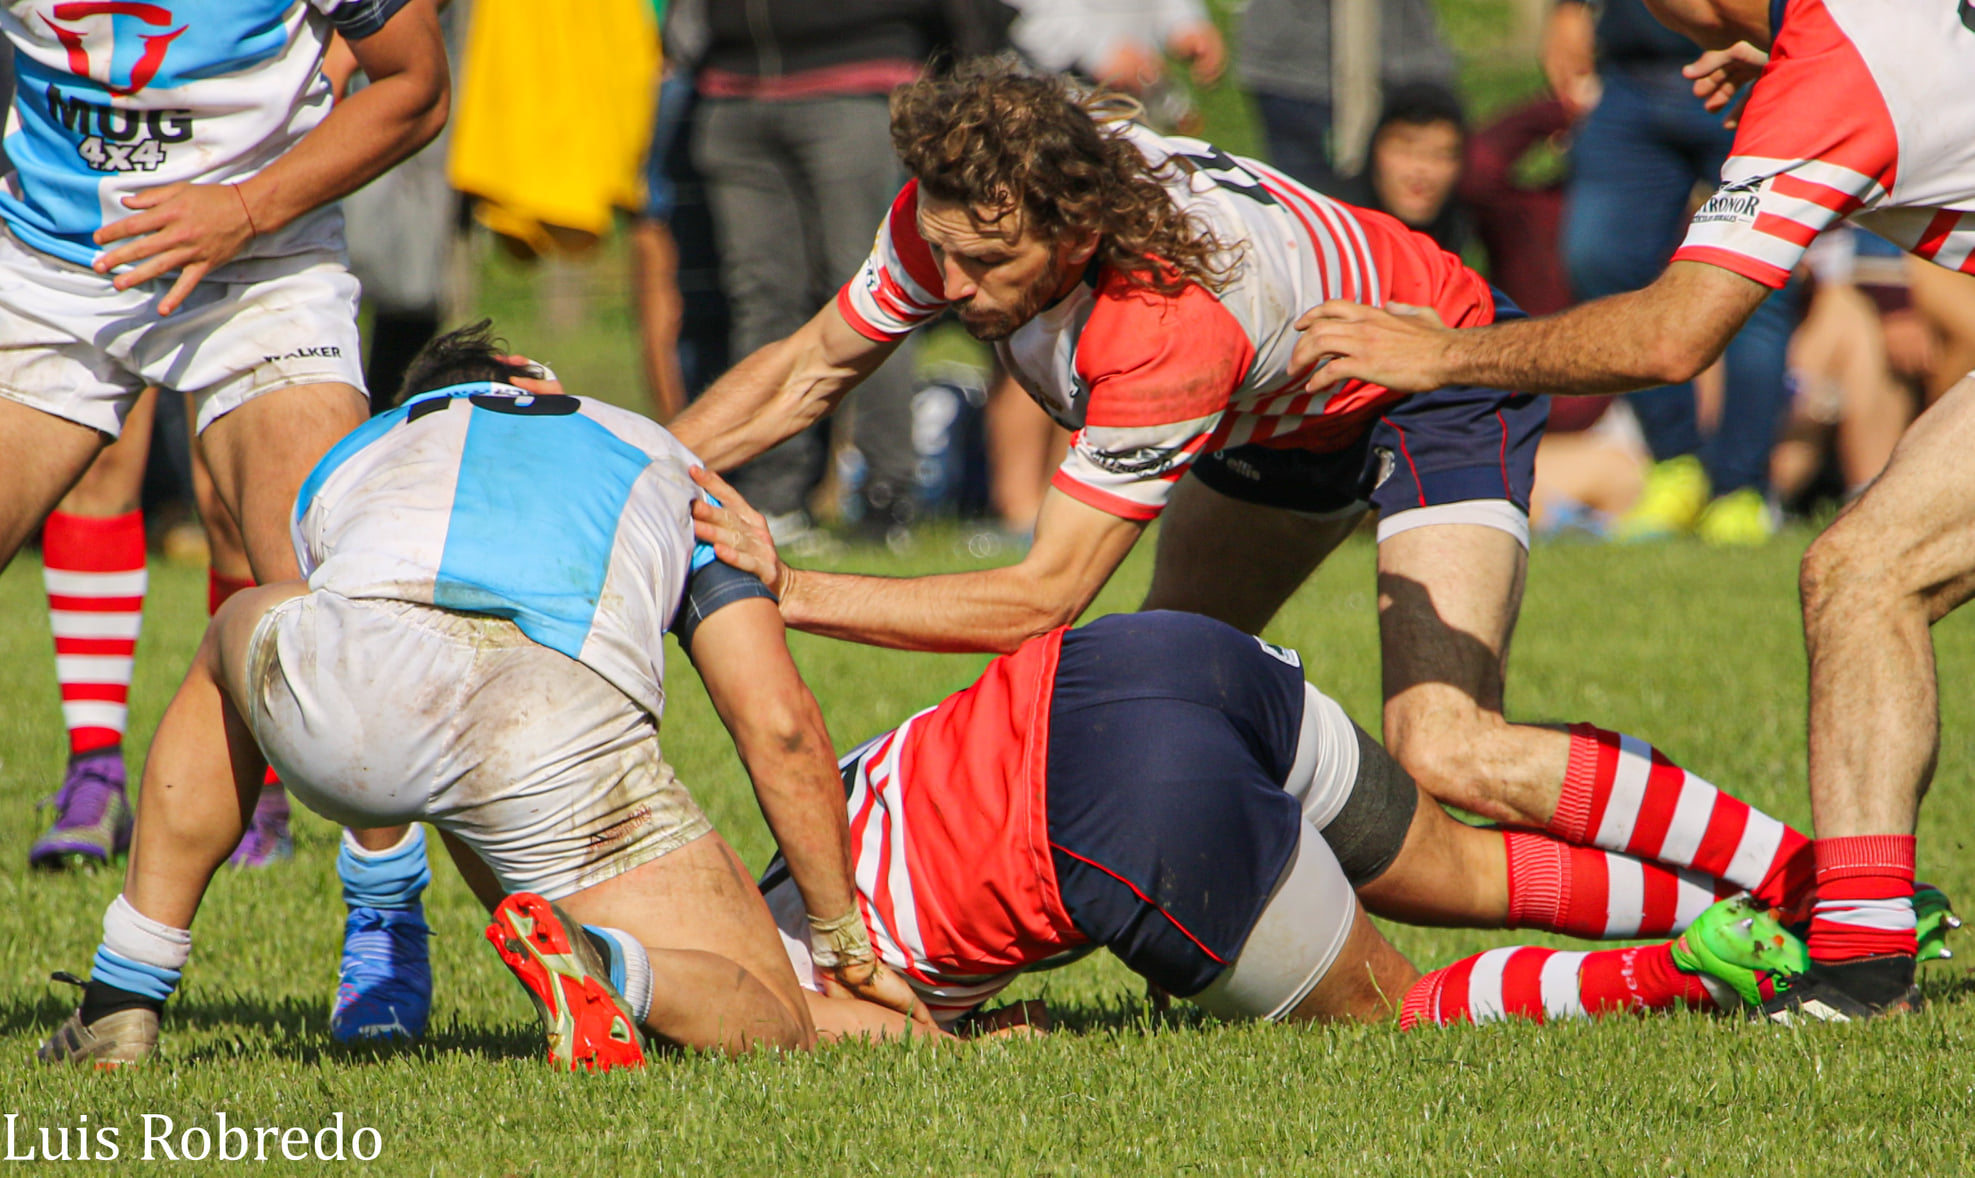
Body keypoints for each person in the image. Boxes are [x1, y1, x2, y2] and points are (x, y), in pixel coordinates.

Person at [673, 63, 1816, 956]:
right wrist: (636, 468)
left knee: (1449, 749)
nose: (953, 286)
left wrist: (790, 588)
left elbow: (1040, 598)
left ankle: (1807, 882)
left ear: (1073, 229)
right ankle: (1694, 929)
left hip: (1430, 375)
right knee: (1166, 698)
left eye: (988, 262)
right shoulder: (965, 210)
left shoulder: (1166, 323)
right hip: (1280, 418)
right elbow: (804, 369)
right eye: (947, 255)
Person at [1291, 0, 1975, 1021]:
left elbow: (1668, 339)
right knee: (1863, 572)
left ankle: (1861, 958)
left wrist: (1439, 357)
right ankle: (1860, 950)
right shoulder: (1861, 41)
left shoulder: (1834, 77)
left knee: (1866, 573)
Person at [35, 324, 923, 1070]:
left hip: (347, 700)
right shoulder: (661, 456)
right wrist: (838, 933)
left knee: (248, 624)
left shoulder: (362, 453)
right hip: (551, 731)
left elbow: (358, 628)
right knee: (775, 1015)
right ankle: (610, 967)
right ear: (532, 381)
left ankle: (126, 988)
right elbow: (778, 726)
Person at [753, 610, 1860, 1038]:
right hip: (1144, 656)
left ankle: (1683, 970)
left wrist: (959, 1044)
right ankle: (1815, 890)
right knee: (1465, 866)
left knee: (1397, 1010)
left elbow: (846, 1030)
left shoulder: (754, 992)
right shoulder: (767, 863)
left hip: (1123, 810)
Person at [0, 0, 453, 1039]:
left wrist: (245, 209)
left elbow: (415, 84)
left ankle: (383, 912)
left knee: (327, 598)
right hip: (49, 273)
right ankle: (105, 861)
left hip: (261, 270)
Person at [1544, 0, 1799, 546]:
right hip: (1632, 75)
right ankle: (1675, 465)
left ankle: (1742, 491)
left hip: (1760, 67)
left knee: (1759, 284)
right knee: (1597, 255)